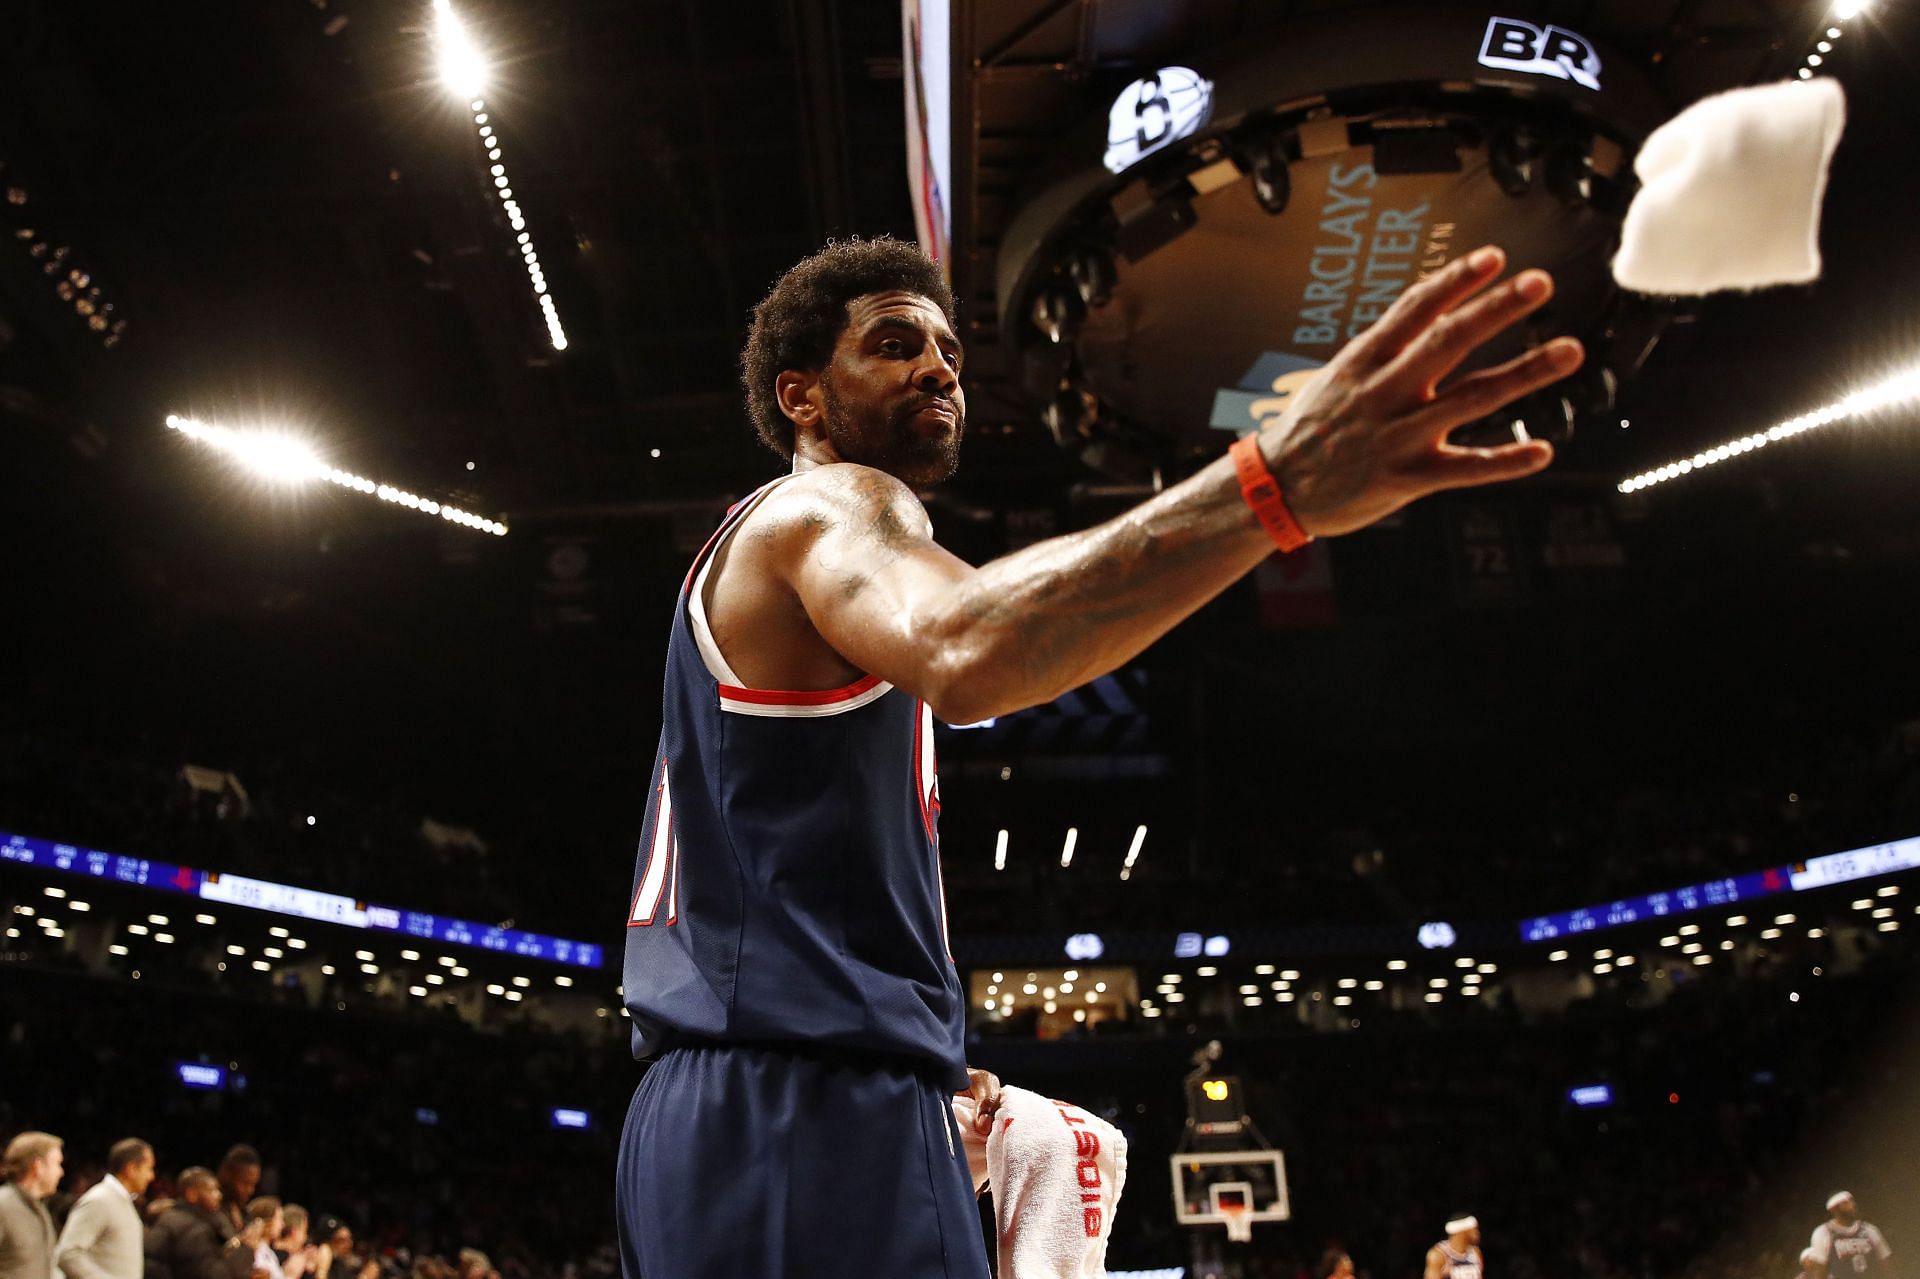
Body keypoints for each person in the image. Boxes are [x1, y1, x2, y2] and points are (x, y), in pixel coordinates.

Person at [616, 235, 1580, 1278]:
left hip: (712, 1113)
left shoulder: (748, 571)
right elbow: (968, 645)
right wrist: (1272, 484)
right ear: (801, 397)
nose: (940, 367)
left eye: (946, 349)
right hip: (806, 1105)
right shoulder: (829, 505)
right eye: (895, 345)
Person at [55, 1138, 154, 1279]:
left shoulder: (122, 1200)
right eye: (149, 1168)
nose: (151, 1176)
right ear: (131, 1169)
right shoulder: (100, 1200)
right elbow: (68, 1254)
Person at [143, 1167, 260, 1279]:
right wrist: (247, 1249)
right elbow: (213, 1276)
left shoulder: (177, 1218)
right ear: (191, 1195)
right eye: (211, 1190)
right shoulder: (190, 1228)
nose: (218, 1195)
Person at [0, 1132, 64, 1279]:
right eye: (57, 1164)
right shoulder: (3, 1205)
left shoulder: (39, 1209)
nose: (61, 1172)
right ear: (38, 1166)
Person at [1810, 1193, 1894, 1279]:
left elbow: (1885, 1261)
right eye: (1846, 1202)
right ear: (1834, 1208)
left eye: (1852, 1201)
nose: (1853, 1205)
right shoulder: (1823, 1232)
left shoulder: (1869, 1230)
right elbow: (1820, 1268)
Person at [212, 1152, 261, 1239]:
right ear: (227, 1176)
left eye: (253, 1185)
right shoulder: (210, 1209)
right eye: (245, 1183)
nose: (250, 1190)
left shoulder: (243, 1212)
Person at [1426, 1213, 1484, 1279]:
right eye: (1474, 1229)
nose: (1477, 1233)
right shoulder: (1439, 1255)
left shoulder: (1475, 1253)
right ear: (1463, 1231)